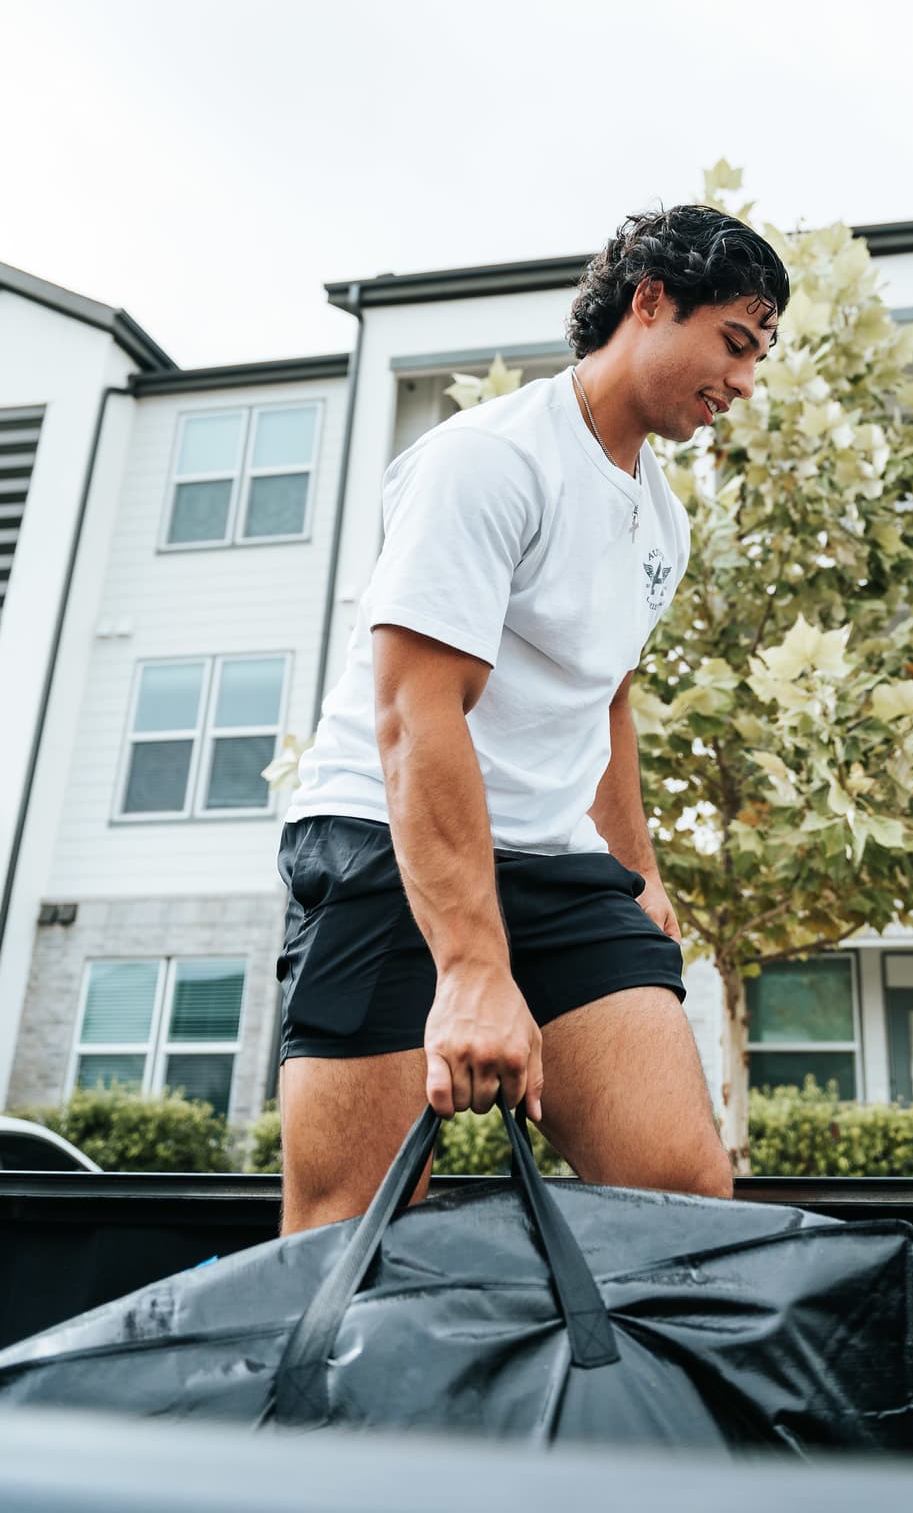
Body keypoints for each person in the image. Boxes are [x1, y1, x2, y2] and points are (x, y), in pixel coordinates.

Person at [273, 205, 789, 1232]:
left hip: (551, 859)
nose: (742, 382)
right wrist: (470, 970)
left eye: (757, 355)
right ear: (649, 301)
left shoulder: (662, 516)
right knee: (348, 1226)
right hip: (391, 839)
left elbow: (605, 697)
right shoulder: (488, 459)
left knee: (684, 1197)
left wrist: (636, 874)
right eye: (734, 341)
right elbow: (416, 714)